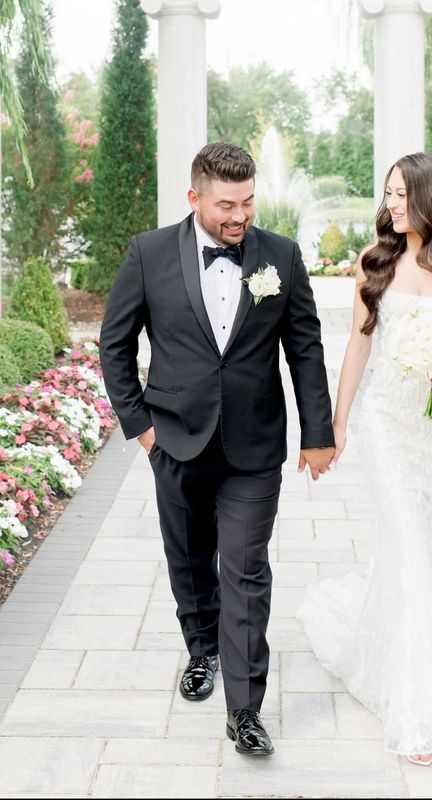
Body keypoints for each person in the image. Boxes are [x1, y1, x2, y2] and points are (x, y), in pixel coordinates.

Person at [100, 142, 335, 756]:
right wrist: (141, 427)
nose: (240, 216)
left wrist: (317, 433)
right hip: (175, 439)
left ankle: (245, 709)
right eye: (227, 205)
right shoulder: (149, 253)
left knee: (246, 568)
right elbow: (114, 345)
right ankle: (201, 650)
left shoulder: (281, 255)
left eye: (248, 202)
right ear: (195, 197)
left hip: (254, 446)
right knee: (188, 558)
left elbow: (305, 349)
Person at [297, 152, 432, 766]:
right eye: (388, 193)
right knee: (409, 544)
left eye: (402, 194)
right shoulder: (376, 259)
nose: (391, 204)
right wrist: (336, 424)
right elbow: (359, 348)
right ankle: (423, 710)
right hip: (389, 422)